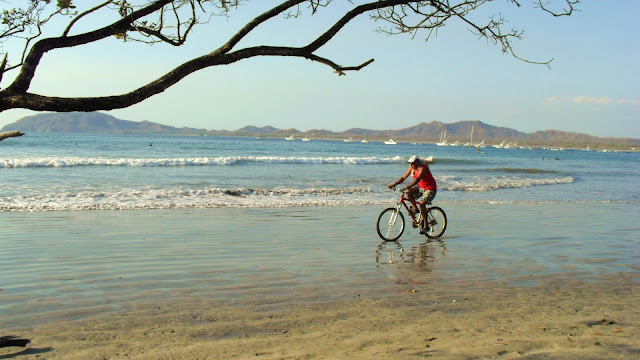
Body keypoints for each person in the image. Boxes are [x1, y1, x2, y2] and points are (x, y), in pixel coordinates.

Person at [387, 155, 437, 234]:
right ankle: (415, 209)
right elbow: (403, 177)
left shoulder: (423, 168)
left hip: (430, 189)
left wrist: (410, 185)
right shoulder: (412, 168)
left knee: (422, 204)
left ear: (417, 162)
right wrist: (394, 184)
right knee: (408, 193)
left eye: (412, 163)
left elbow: (418, 178)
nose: (410, 165)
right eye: (410, 163)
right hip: (421, 187)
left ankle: (426, 226)